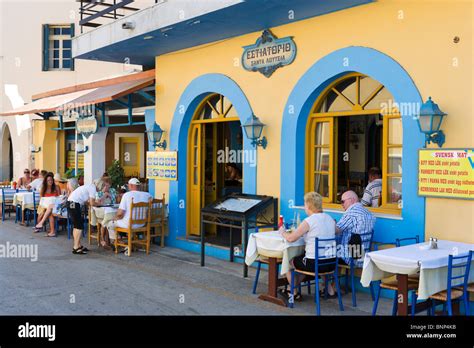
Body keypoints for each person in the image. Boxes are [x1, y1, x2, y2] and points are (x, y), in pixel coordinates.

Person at [279, 192, 337, 301]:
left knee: (288, 261)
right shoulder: (330, 219)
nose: (304, 207)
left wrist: (282, 232)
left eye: (305, 204)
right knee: (302, 261)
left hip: (314, 264)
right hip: (331, 263)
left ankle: (293, 292)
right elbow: (338, 231)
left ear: (309, 206)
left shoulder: (309, 221)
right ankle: (328, 289)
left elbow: (291, 238)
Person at [106, 178, 152, 253]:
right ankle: (130, 243)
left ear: (130, 185)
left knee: (110, 224)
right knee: (120, 221)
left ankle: (119, 244)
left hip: (129, 224)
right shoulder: (147, 195)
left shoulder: (127, 195)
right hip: (142, 224)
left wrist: (115, 218)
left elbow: (120, 213)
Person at [336, 190, 376, 267]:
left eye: (342, 201)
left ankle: (331, 278)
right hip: (364, 257)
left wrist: (330, 223)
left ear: (352, 200)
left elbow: (337, 230)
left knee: (324, 255)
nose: (341, 204)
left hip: (350, 258)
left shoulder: (351, 213)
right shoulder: (368, 213)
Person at [67, 180, 102, 255]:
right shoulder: (93, 188)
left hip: (71, 203)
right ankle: (76, 247)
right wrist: (98, 203)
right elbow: (92, 203)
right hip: (73, 204)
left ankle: (78, 245)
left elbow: (86, 201)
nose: (100, 190)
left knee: (77, 225)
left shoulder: (89, 186)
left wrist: (93, 203)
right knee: (79, 226)